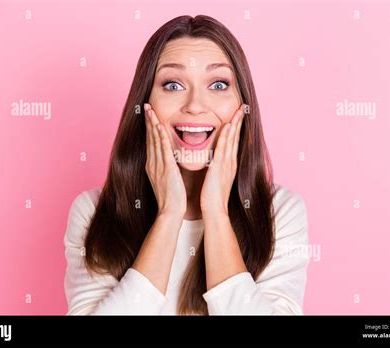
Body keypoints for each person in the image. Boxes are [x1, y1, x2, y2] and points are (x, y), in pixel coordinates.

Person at [64, 14, 310, 315]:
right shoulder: (93, 211)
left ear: (242, 105)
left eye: (218, 84)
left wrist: (216, 213)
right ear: (144, 104)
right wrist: (169, 214)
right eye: (173, 85)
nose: (195, 105)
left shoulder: (279, 212)